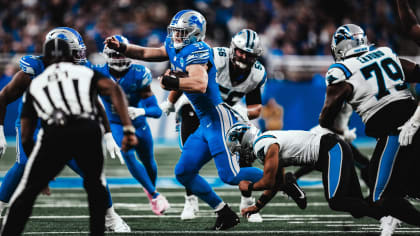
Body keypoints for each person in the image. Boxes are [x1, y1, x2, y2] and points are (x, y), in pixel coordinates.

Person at [105, 10, 265, 230]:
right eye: (175, 31)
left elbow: (199, 84)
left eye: (181, 32)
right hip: (205, 121)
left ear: (194, 33)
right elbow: (148, 52)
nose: (176, 36)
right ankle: (224, 213)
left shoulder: (198, 50)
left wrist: (173, 82)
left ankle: (279, 179)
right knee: (184, 172)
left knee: (231, 175)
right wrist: (123, 48)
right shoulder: (175, 45)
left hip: (219, 119)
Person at [162, 29, 305, 222]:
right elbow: (185, 79)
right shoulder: (214, 57)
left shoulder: (256, 74)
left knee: (238, 163)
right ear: (232, 49)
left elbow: (255, 109)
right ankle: (201, 204)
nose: (244, 57)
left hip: (225, 118)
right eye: (240, 52)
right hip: (196, 111)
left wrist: (237, 111)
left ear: (256, 57)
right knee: (185, 166)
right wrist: (170, 102)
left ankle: (256, 196)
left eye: (249, 54)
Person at [0, 38, 137, 236]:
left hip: (61, 129)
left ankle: (111, 217)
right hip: (67, 127)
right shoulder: (43, 75)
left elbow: (26, 133)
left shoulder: (45, 81)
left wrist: (108, 135)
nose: (79, 57)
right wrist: (126, 130)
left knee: (32, 188)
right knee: (92, 181)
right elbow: (112, 92)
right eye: (75, 52)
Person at [319, 23, 420, 235]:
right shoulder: (384, 53)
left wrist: (331, 125)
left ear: (339, 47)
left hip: (397, 132)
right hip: (413, 123)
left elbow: (327, 113)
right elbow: (416, 72)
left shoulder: (341, 71)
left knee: (380, 197)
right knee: (405, 184)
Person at [225, 122, 385, 223]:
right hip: (333, 151)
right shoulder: (265, 141)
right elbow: (276, 183)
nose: (241, 154)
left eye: (239, 149)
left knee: (337, 201)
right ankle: (387, 207)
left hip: (332, 150)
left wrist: (249, 187)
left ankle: (387, 215)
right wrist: (257, 206)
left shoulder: (262, 144)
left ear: (244, 140)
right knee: (355, 208)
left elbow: (267, 181)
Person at [95, 35, 169, 215]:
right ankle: (154, 194)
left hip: (139, 122)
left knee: (148, 161)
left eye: (121, 54)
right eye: (115, 55)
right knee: (127, 154)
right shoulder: (98, 73)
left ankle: (150, 190)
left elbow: (156, 110)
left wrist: (141, 111)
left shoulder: (139, 73)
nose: (119, 59)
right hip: (116, 123)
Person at [291, 103, 370, 187]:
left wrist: (345, 132)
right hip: (326, 137)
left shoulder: (346, 101)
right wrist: (344, 133)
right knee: (361, 163)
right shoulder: (340, 100)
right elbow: (325, 121)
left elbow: (340, 122)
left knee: (361, 163)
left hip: (331, 137)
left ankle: (293, 178)